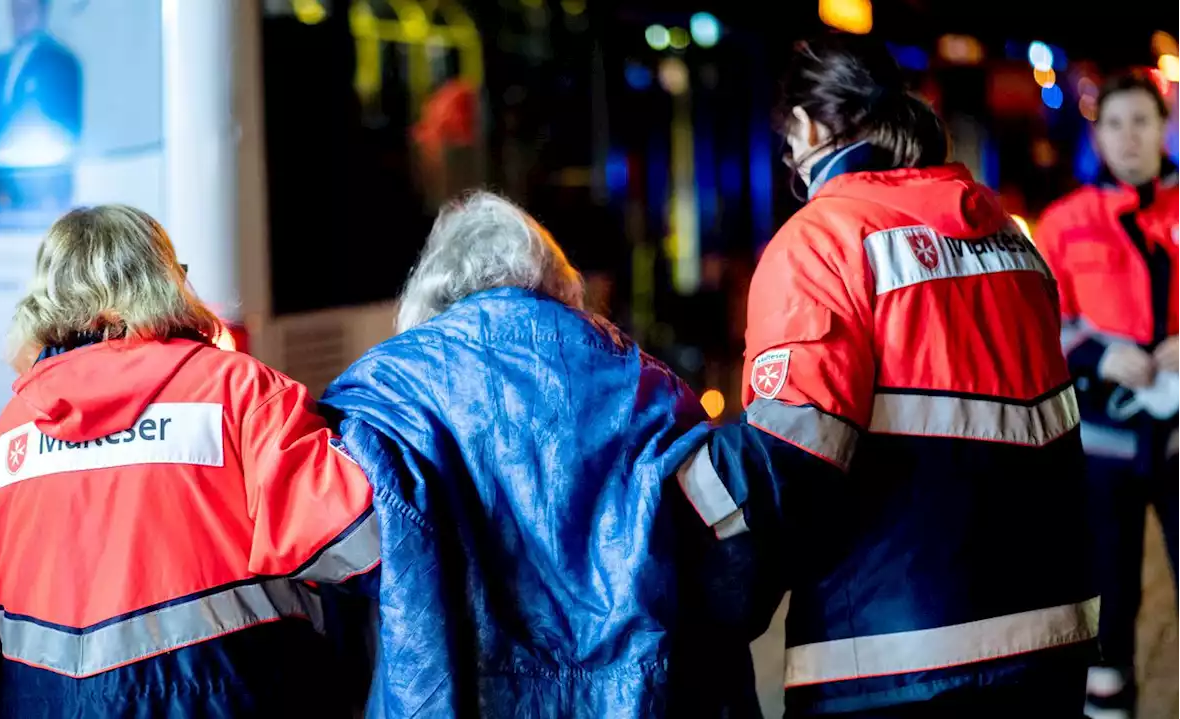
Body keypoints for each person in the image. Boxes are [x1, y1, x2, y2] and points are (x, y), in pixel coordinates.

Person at [701, 35, 1097, 717]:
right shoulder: (1004, 234)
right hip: (1051, 643)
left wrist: (695, 579)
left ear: (806, 125)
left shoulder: (822, 240)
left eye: (787, 144)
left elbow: (790, 462)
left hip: (895, 659)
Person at [321, 191, 779, 717]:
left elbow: (340, 577)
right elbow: (729, 572)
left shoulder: (384, 390)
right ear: (555, 280)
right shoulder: (646, 385)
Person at [0, 205, 379, 717]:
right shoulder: (239, 391)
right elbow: (360, 542)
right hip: (228, 694)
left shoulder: (15, 428)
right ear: (166, 279)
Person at [1035, 71, 1180, 719]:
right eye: (1115, 123)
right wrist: (1100, 353)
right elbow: (1042, 324)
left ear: (1164, 127)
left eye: (1141, 122)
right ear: (1097, 133)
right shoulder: (1065, 222)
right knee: (1107, 607)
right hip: (1103, 444)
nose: (1129, 137)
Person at [0, 0, 82, 141]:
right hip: (2, 157)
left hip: (44, 153)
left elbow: (67, 123)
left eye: (26, 11)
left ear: (43, 14)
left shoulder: (61, 61)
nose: (19, 19)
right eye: (14, 12)